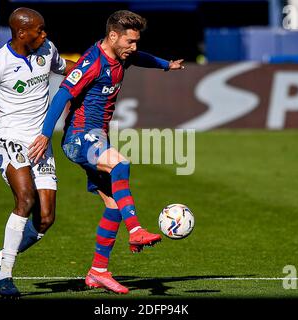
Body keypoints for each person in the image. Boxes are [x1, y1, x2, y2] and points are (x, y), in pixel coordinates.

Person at [29, 10, 185, 294]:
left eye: (137, 41)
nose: (134, 47)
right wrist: (44, 133)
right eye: (130, 41)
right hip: (79, 138)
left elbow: (139, 57)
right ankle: (135, 229)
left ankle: (97, 271)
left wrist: (166, 65)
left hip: (97, 138)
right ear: (113, 36)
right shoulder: (92, 62)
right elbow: (62, 95)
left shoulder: (122, 55)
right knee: (120, 164)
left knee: (113, 205)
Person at [0, 7, 75, 298]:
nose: (44, 34)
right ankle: (5, 278)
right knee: (25, 199)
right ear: (22, 33)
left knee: (46, 219)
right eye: (39, 30)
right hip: (9, 137)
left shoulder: (47, 49)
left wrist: (95, 67)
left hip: (40, 141)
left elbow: (67, 68)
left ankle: (0, 256)